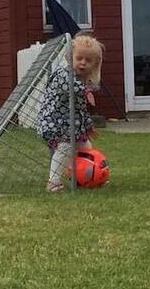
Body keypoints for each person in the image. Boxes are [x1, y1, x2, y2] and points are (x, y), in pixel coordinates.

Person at [37, 34, 104, 192]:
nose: (83, 63)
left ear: (94, 64)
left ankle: (88, 176)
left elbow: (80, 111)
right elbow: (67, 86)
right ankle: (53, 182)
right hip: (54, 123)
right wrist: (85, 91)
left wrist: (87, 127)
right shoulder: (64, 74)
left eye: (88, 60)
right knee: (64, 148)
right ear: (70, 57)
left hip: (71, 125)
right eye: (79, 58)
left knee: (86, 148)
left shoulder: (82, 79)